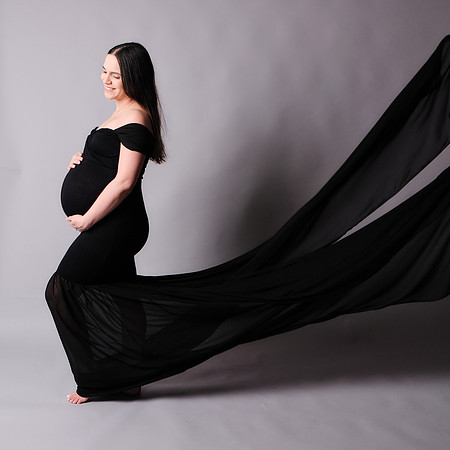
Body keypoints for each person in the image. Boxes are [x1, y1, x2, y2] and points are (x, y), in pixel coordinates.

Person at [46, 38, 450, 405]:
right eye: (104, 71)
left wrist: (88, 218)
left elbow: (124, 182)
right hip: (113, 224)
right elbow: (107, 161)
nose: (106, 80)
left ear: (133, 78)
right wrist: (82, 160)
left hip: (115, 225)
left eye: (115, 75)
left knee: (62, 288)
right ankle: (131, 378)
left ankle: (96, 381)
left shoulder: (137, 120)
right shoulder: (120, 114)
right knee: (125, 295)